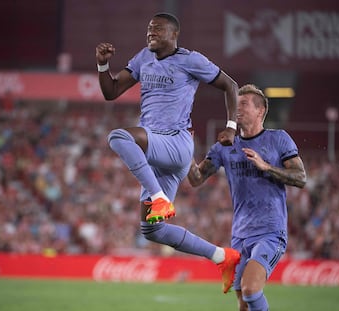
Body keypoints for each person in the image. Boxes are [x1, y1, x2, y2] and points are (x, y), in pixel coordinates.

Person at [95, 12, 240, 293]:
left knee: (119, 136)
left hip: (175, 143)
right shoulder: (143, 58)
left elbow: (230, 85)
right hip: (157, 152)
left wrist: (231, 127)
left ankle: (159, 197)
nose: (151, 33)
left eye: (157, 30)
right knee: (152, 230)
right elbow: (111, 92)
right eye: (149, 29)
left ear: (174, 35)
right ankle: (223, 257)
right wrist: (103, 66)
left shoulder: (190, 59)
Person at [188, 84, 307, 310]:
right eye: (235, 105)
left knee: (252, 290)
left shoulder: (278, 139)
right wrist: (184, 150)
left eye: (243, 104)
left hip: (270, 231)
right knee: (243, 304)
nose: (236, 109)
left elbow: (300, 177)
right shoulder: (225, 146)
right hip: (240, 236)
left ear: (260, 111)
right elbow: (196, 179)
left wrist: (266, 167)